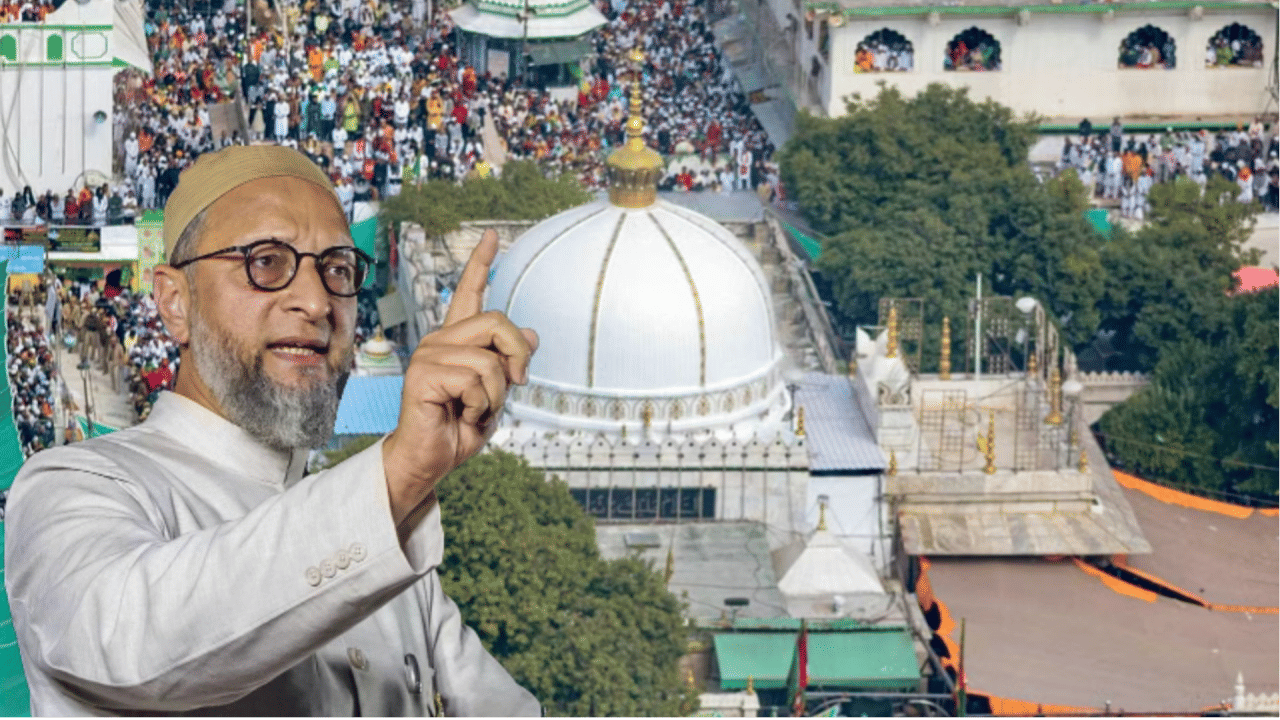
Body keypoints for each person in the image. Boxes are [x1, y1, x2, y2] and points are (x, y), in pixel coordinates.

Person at [4, 145, 541, 717]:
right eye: (265, 262)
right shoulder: (78, 486)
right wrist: (400, 473)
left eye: (336, 270)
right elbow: (122, 636)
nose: (314, 302)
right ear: (173, 301)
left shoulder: (399, 564)